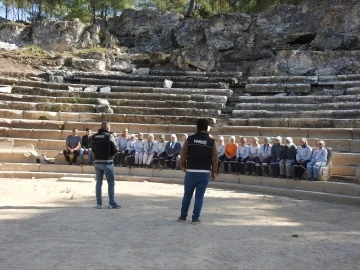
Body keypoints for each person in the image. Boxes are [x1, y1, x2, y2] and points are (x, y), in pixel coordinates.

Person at [178, 119, 217, 225]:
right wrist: (214, 171)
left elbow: (183, 153)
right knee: (199, 196)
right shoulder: (211, 142)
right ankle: (195, 219)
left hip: (191, 170)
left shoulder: (190, 139)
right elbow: (214, 158)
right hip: (204, 172)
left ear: (197, 127)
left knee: (187, 195)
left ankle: (183, 216)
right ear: (207, 128)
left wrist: (182, 165)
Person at [91, 121, 120, 209]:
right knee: (111, 183)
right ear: (108, 128)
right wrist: (111, 156)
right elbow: (116, 149)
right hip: (107, 162)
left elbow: (92, 150)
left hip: (97, 162)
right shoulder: (109, 136)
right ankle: (111, 203)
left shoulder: (93, 136)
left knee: (98, 183)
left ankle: (99, 204)